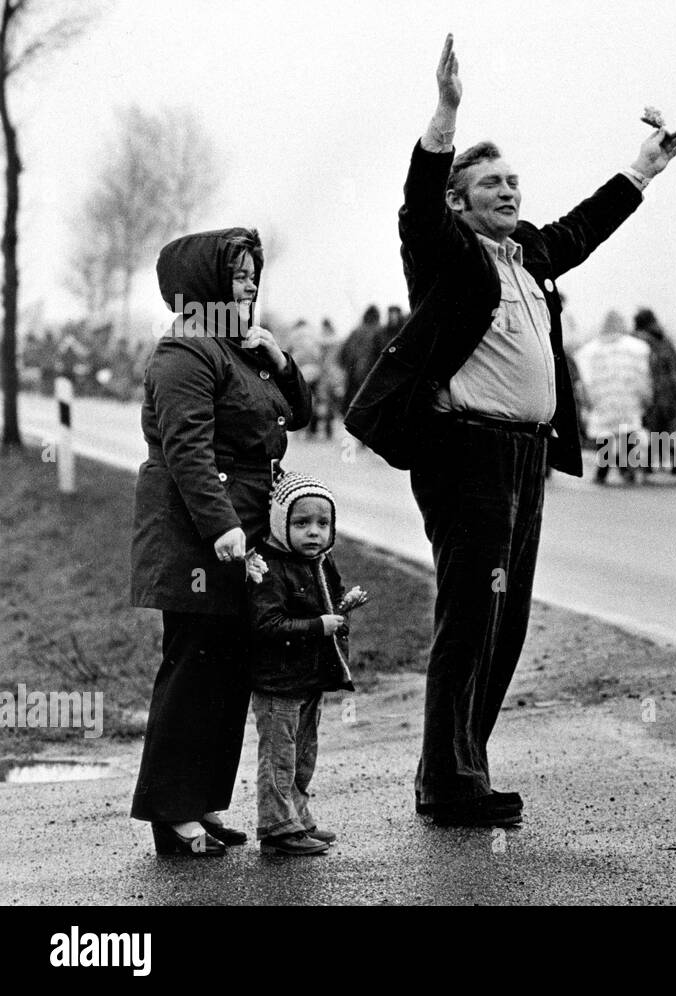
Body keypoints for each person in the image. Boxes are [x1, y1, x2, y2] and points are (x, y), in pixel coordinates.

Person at [345, 33, 676, 826]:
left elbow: (584, 227)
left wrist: (643, 168)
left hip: (525, 459)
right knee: (470, 613)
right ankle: (450, 783)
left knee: (507, 617)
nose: (508, 189)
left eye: (513, 180)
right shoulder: (447, 254)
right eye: (490, 182)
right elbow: (417, 204)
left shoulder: (529, 255)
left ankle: (462, 766)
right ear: (460, 202)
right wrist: (446, 115)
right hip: (468, 453)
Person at [130, 227, 310, 856]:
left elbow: (302, 415)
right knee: (193, 666)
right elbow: (187, 449)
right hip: (196, 534)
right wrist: (223, 529)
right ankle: (171, 813)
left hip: (244, 529)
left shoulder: (240, 346)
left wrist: (281, 360)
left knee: (228, 669)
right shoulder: (186, 347)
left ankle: (201, 801)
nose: (250, 283)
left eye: (253, 272)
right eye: (237, 274)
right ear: (202, 282)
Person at [247, 472, 366, 856]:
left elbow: (326, 604)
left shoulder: (321, 562)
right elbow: (267, 624)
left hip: (310, 677)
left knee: (303, 754)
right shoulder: (268, 566)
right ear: (281, 523)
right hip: (279, 681)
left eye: (322, 523)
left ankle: (298, 817)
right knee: (279, 757)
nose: (313, 532)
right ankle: (277, 828)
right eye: (301, 523)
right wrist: (319, 626)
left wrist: (343, 605)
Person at [574, 310, 652, 484]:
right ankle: (626, 468)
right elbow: (642, 377)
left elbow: (586, 380)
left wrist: (588, 401)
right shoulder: (636, 348)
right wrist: (645, 398)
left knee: (606, 435)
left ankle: (603, 470)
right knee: (627, 433)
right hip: (628, 402)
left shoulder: (590, 351)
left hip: (603, 402)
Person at [632, 307, 676, 474]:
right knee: (669, 426)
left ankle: (646, 463)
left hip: (649, 388)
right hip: (668, 389)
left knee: (649, 426)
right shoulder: (664, 340)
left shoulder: (636, 340)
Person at [338, 305, 385, 410]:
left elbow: (342, 356)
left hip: (354, 376)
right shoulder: (380, 331)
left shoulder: (355, 332)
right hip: (372, 375)